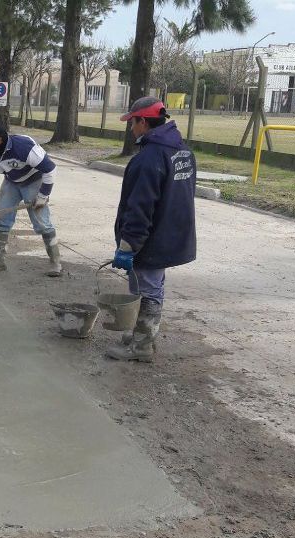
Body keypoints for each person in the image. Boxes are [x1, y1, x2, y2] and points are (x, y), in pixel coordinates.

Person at [107, 97, 197, 362]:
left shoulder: (148, 159)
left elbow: (140, 207)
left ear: (143, 122)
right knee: (149, 285)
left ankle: (142, 345)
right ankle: (140, 333)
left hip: (151, 238)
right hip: (172, 233)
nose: (131, 128)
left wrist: (128, 244)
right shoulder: (183, 151)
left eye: (132, 122)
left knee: (147, 289)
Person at [0, 121, 61, 277]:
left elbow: (50, 170)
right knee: (1, 218)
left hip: (34, 180)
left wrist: (43, 196)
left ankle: (55, 262)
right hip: (12, 182)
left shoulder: (23, 147)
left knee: (42, 223)